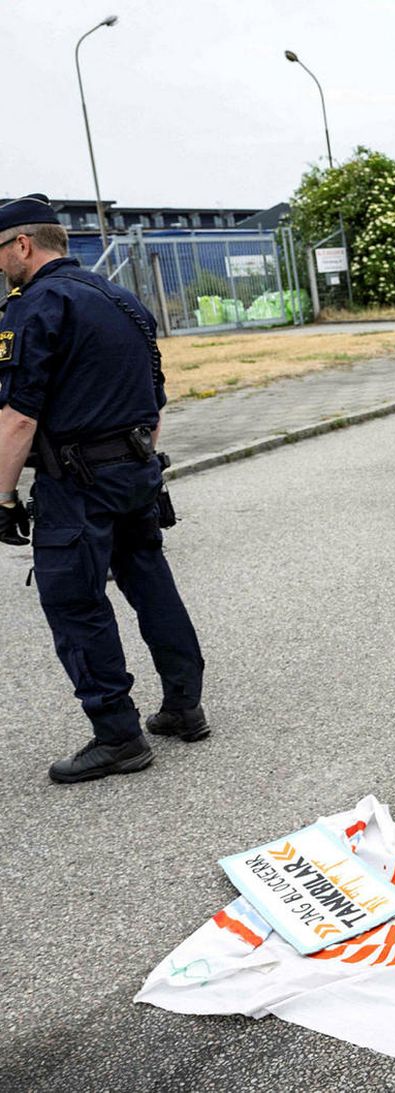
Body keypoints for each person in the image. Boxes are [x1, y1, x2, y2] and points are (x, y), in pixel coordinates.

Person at [0, 195, 207, 784]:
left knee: (74, 601)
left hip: (77, 481)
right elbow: (156, 396)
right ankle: (183, 707)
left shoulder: (35, 305)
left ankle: (117, 736)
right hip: (136, 470)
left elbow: (17, 415)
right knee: (149, 579)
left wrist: (4, 496)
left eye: (0, 253)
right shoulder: (123, 299)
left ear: (22, 244)